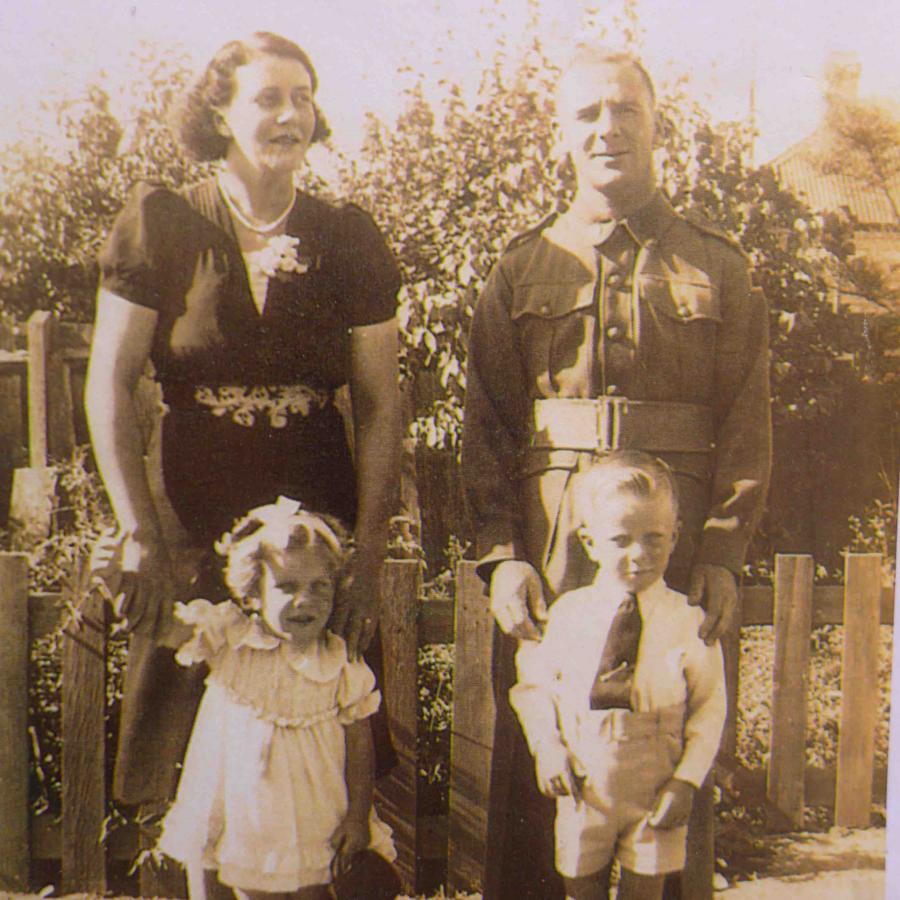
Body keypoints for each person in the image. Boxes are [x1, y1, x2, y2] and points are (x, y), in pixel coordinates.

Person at [461, 45, 771, 899]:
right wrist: (501, 554)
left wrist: (720, 553)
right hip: (555, 536)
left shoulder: (718, 264)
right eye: (587, 114)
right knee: (549, 750)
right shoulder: (521, 268)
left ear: (655, 124)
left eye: (624, 110)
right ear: (560, 136)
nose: (607, 128)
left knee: (668, 743)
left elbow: (747, 421)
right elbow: (484, 422)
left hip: (670, 543)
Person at [84, 30, 401, 849]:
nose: (291, 113)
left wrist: (365, 551)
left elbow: (379, 402)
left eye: (303, 96)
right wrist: (136, 530)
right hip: (190, 501)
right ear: (220, 112)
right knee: (186, 722)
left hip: (312, 506)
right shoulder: (164, 222)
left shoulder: (348, 238)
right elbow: (110, 385)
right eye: (269, 97)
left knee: (315, 731)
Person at [509, 452, 726, 900]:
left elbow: (710, 708)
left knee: (645, 889)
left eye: (654, 538)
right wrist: (547, 749)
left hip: (657, 786)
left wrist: (687, 780)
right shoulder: (568, 616)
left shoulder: (689, 622)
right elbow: (532, 688)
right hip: (584, 779)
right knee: (580, 882)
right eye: (621, 539)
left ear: (675, 536)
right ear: (588, 542)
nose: (639, 554)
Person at [156, 498, 397, 898]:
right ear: (253, 593)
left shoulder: (340, 662)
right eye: (286, 587)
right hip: (245, 810)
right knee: (245, 883)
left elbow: (359, 743)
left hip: (317, 811)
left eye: (319, 586)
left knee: (314, 887)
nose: (305, 601)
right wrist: (121, 578)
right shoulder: (232, 642)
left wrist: (358, 818)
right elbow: (168, 630)